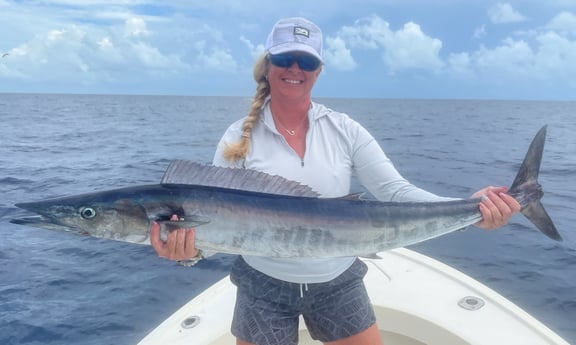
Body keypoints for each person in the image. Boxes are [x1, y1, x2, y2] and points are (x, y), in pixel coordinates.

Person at [150, 17, 521, 345]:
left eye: (307, 61)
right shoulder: (236, 139)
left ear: (318, 70)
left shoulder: (345, 129)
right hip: (261, 286)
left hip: (338, 282)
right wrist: (188, 255)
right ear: (267, 66)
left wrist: (474, 210)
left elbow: (395, 191)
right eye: (284, 58)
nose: (295, 68)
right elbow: (218, 230)